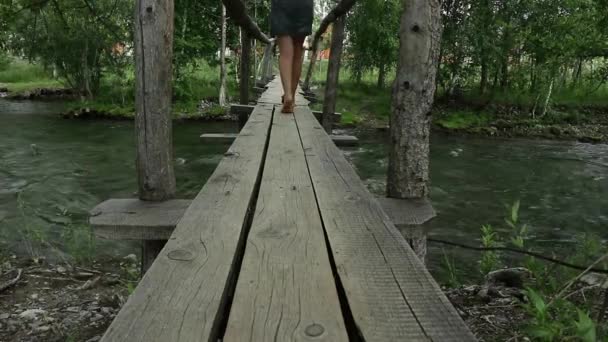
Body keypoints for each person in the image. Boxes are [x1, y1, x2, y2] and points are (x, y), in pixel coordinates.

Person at [270, 0, 314, 113]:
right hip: (304, 5)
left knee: (285, 54)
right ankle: (292, 98)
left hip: (283, 4)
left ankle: (288, 95)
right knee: (297, 53)